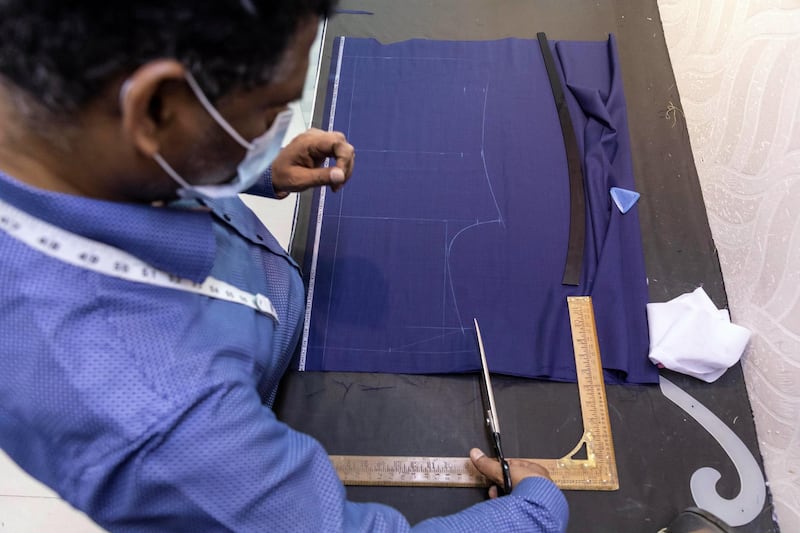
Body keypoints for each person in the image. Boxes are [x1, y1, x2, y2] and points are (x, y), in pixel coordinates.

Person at [0, 1, 568, 531]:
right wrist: (533, 515)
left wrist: (247, 168)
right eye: (271, 108)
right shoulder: (162, 423)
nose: (278, 124)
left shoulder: (55, 125)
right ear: (155, 108)